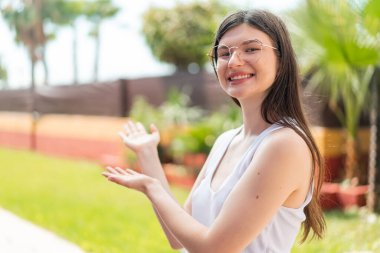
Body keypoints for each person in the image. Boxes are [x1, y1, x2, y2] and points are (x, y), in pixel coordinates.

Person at [102, 9, 326, 253]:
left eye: (251, 49)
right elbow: (179, 237)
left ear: (282, 61)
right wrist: (148, 155)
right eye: (224, 53)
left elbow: (215, 249)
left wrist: (151, 187)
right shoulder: (225, 141)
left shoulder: (284, 144)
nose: (234, 61)